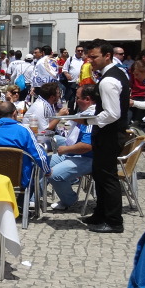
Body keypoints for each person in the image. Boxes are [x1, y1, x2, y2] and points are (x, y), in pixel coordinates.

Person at [81, 39, 130, 234]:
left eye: (94, 57)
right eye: (89, 56)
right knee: (100, 174)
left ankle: (114, 220)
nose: (89, 60)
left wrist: (87, 121)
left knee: (107, 177)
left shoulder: (109, 80)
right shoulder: (114, 75)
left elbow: (112, 113)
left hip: (110, 133)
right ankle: (100, 213)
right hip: (108, 133)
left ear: (107, 56)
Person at [0, 102, 50, 189]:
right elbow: (39, 156)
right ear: (14, 113)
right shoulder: (24, 130)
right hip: (19, 180)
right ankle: (31, 201)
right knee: (37, 167)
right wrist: (47, 171)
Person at [47, 84, 97, 212]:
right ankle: (33, 198)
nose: (75, 100)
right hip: (74, 152)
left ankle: (69, 199)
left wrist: (65, 149)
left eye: (77, 97)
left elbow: (86, 146)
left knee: (54, 174)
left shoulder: (90, 116)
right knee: (42, 163)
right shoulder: (84, 112)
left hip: (87, 158)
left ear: (87, 99)